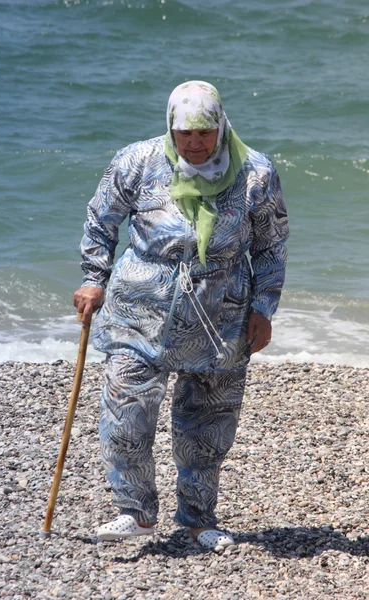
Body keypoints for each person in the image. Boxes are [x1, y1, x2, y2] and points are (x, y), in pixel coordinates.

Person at [73, 81, 288, 549]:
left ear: (220, 125)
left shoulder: (255, 172)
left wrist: (263, 307)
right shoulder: (137, 160)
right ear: (170, 127)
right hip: (140, 310)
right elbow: (101, 220)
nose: (194, 142)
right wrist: (94, 277)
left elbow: (271, 246)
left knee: (208, 423)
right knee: (125, 412)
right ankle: (135, 511)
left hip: (221, 315)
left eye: (204, 132)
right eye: (184, 132)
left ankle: (198, 520)